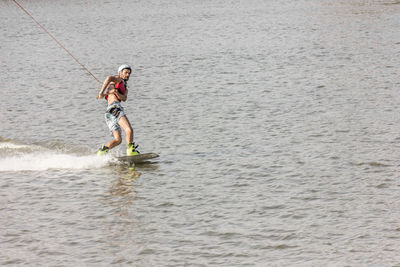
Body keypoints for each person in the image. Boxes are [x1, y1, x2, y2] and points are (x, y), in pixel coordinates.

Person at [96, 64, 140, 156]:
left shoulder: (125, 88)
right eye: (126, 72)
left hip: (109, 113)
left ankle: (102, 152)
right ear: (120, 73)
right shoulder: (118, 79)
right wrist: (101, 92)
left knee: (118, 140)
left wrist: (116, 92)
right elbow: (108, 78)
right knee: (129, 130)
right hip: (115, 108)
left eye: (129, 73)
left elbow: (124, 98)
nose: (128, 75)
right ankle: (130, 150)